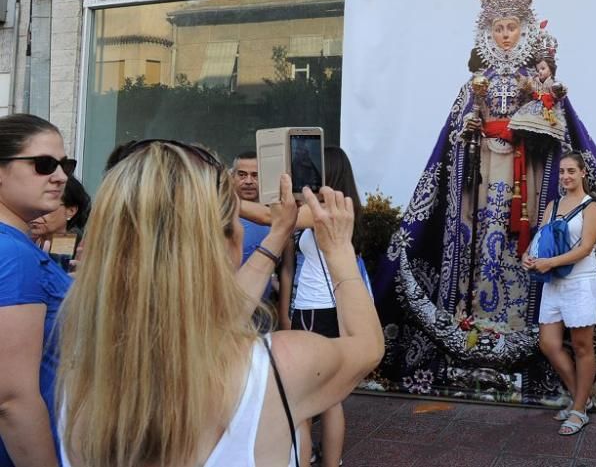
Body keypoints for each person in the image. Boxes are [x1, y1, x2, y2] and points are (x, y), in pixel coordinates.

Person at [373, 0, 596, 410]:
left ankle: (530, 338)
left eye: (511, 26)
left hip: (527, 186)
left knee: (520, 250)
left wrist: (533, 117)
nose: (504, 34)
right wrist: (472, 127)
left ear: (524, 30)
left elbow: (559, 131)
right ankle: (474, 319)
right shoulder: (476, 82)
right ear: (486, 34)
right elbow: (454, 136)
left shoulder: (537, 79)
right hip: (483, 189)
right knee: (483, 249)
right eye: (497, 28)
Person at [57, 140, 384, 467]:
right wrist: (339, 250)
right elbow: (367, 347)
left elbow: (217, 319)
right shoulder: (280, 366)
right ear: (228, 244)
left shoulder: (80, 380)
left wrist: (278, 233)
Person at [281, 146, 371, 467]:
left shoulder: (321, 212)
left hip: (315, 310)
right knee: (330, 396)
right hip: (332, 306)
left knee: (302, 398)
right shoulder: (346, 209)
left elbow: (271, 218)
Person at [0, 113, 75, 467]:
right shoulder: (13, 254)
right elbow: (12, 399)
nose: (60, 176)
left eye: (65, 164)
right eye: (43, 164)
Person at [523, 151, 596, 435]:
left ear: (583, 173)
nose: (566, 176)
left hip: (581, 283)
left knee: (582, 346)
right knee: (548, 343)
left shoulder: (590, 207)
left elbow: (584, 249)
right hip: (553, 283)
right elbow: (541, 237)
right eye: (562, 172)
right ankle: (582, 397)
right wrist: (529, 256)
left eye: (571, 171)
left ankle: (579, 410)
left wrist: (550, 262)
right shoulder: (554, 205)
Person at [232, 152, 275, 300]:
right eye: (242, 175)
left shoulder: (277, 218)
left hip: (265, 310)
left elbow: (287, 269)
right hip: (227, 307)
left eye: (255, 175)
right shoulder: (219, 215)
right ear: (232, 177)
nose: (248, 181)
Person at [30, 175, 90, 270]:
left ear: (71, 211)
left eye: (47, 206)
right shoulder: (24, 240)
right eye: (32, 204)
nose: (37, 212)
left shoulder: (82, 250)